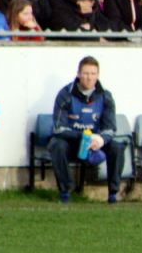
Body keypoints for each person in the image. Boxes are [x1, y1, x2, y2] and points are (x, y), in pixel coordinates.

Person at [48, 55, 126, 203]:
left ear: (97, 75)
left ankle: (113, 194)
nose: (89, 78)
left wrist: (100, 140)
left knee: (117, 147)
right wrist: (82, 137)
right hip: (73, 141)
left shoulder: (105, 96)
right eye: (85, 73)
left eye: (92, 74)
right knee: (56, 145)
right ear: (78, 74)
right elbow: (58, 128)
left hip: (95, 142)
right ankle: (65, 192)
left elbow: (110, 128)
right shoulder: (65, 95)